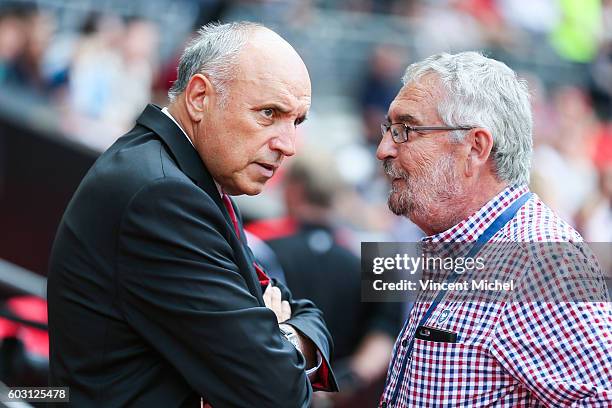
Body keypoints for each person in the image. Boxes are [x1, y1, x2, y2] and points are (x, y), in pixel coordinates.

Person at [47, 22, 337, 407]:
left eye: (296, 121)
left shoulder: (187, 175)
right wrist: (283, 336)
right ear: (200, 97)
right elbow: (275, 390)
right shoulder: (163, 195)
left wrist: (276, 336)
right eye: (269, 113)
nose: (288, 145)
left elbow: (303, 312)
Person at [376, 52, 611, 407]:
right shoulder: (466, 241)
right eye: (389, 130)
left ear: (475, 147)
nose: (384, 149)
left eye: (406, 130)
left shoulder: (541, 263)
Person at [247, 150, 401, 407]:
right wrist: (345, 380)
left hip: (276, 391)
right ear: (336, 194)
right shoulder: (379, 250)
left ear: (293, 190)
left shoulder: (253, 243)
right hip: (346, 397)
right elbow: (386, 331)